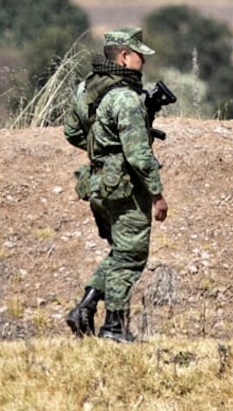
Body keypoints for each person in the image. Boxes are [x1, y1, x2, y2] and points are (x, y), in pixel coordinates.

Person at [62, 26, 169, 342]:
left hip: (99, 184)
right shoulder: (125, 98)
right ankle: (114, 327)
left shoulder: (88, 88)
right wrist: (157, 195)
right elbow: (138, 154)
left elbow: (72, 132)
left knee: (121, 251)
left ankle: (86, 306)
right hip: (125, 188)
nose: (143, 63)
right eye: (139, 56)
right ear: (124, 56)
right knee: (130, 257)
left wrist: (104, 152)